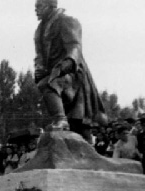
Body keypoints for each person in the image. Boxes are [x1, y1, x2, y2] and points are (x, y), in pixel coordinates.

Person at [34, 0, 106, 132]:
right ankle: (62, 121)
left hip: (72, 71)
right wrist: (39, 68)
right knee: (76, 122)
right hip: (53, 72)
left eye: (39, 6)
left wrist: (66, 64)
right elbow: (39, 55)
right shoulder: (39, 30)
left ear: (50, 6)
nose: (36, 10)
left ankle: (60, 119)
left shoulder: (66, 21)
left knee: (48, 84)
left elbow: (74, 46)